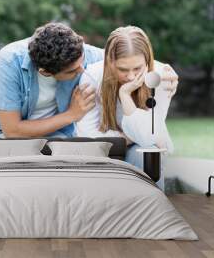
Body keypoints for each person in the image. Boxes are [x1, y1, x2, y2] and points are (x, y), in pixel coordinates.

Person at [0, 22, 103, 163]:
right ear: (45, 72)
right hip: (3, 140)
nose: (82, 70)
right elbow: (12, 131)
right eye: (72, 71)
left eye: (82, 61)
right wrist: (71, 115)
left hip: (59, 140)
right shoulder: (9, 62)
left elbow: (120, 56)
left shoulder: (85, 53)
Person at [75, 26, 179, 190]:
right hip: (104, 152)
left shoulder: (162, 77)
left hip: (139, 149)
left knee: (147, 153)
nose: (131, 76)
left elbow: (147, 137)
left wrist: (125, 94)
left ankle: (153, 212)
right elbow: (89, 137)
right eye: (122, 69)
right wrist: (129, 137)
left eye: (137, 68)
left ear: (147, 61)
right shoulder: (92, 77)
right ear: (109, 61)